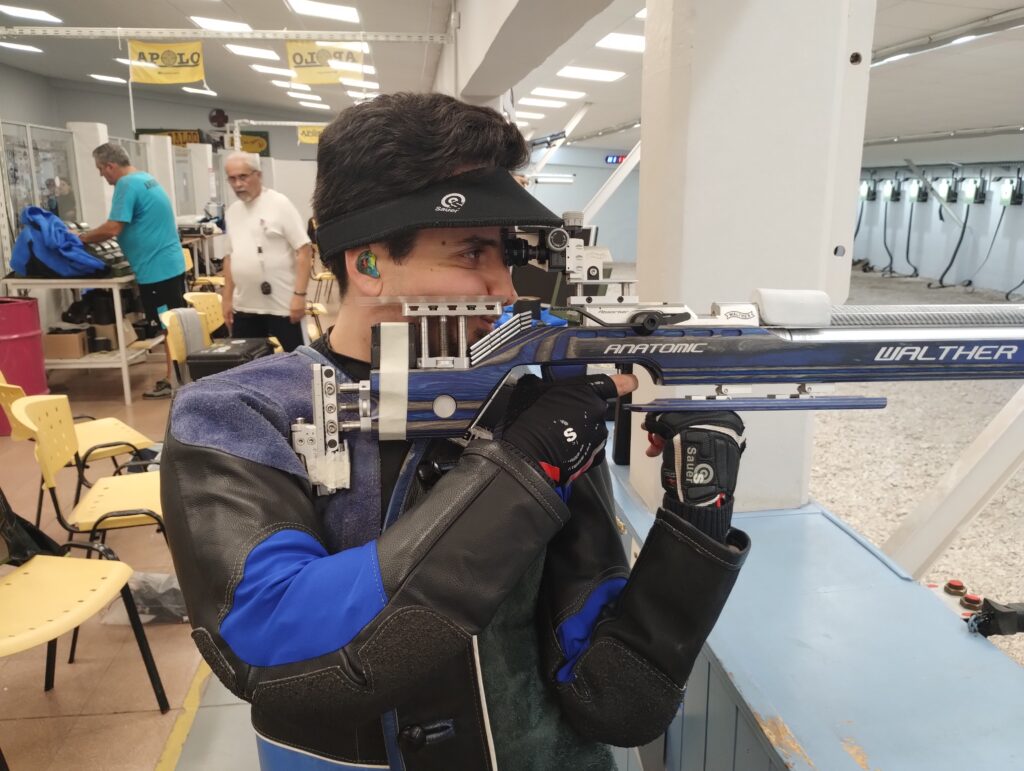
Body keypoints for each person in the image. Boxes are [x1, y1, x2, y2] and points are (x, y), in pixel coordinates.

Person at [161, 93, 750, 771]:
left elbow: (617, 701)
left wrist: (699, 510)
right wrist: (524, 465)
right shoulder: (233, 416)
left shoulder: (523, 406)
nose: (504, 289)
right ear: (368, 263)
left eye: (505, 255)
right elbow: (287, 651)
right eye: (473, 252)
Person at [78, 142, 186, 399]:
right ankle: (178, 378)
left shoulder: (126, 184)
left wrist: (81, 238)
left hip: (157, 269)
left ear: (110, 166)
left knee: (168, 327)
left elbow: (113, 228)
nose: (101, 175)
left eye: (100, 169)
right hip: (168, 264)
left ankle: (173, 382)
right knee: (173, 325)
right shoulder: (145, 178)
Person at [221, 151, 312, 352]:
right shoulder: (233, 212)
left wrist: (300, 295)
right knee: (246, 365)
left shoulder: (280, 204)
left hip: (284, 305)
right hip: (245, 306)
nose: (238, 184)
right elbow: (229, 258)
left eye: (243, 177)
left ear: (258, 175)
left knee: (300, 361)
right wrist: (227, 299)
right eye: (232, 179)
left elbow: (304, 251)